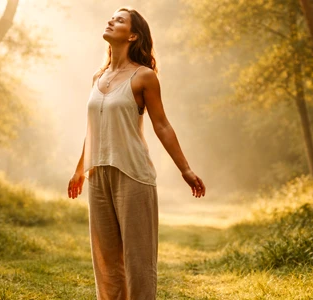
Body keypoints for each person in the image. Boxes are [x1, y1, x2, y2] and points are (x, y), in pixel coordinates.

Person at [66, 7, 206, 300]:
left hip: (133, 174)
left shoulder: (144, 77)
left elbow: (163, 126)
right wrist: (80, 170)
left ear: (132, 35)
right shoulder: (98, 77)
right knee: (106, 264)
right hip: (98, 175)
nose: (110, 21)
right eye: (111, 17)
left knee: (138, 262)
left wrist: (186, 169)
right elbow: (93, 129)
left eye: (119, 20)